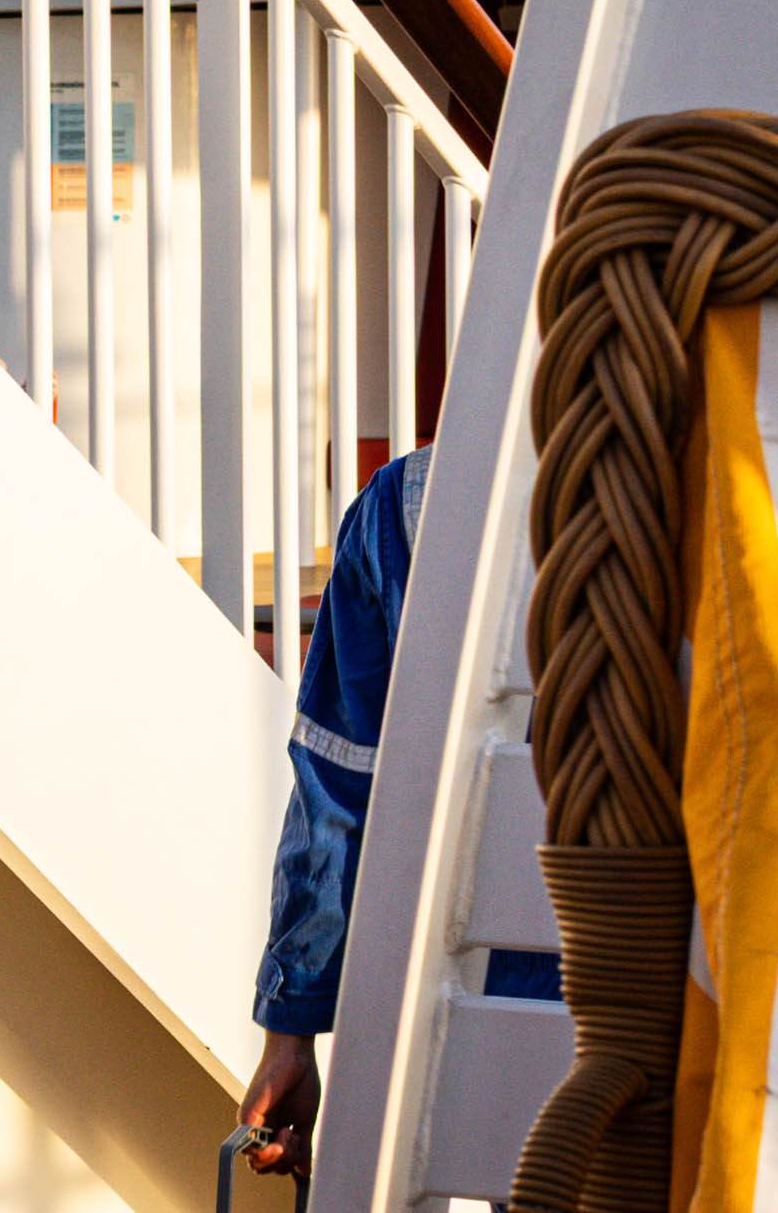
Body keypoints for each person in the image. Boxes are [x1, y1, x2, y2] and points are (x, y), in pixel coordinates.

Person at [239, 443, 559, 1181]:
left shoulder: (412, 499)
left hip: (504, 1036)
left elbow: (340, 787)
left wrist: (291, 1029)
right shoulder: (761, 463)